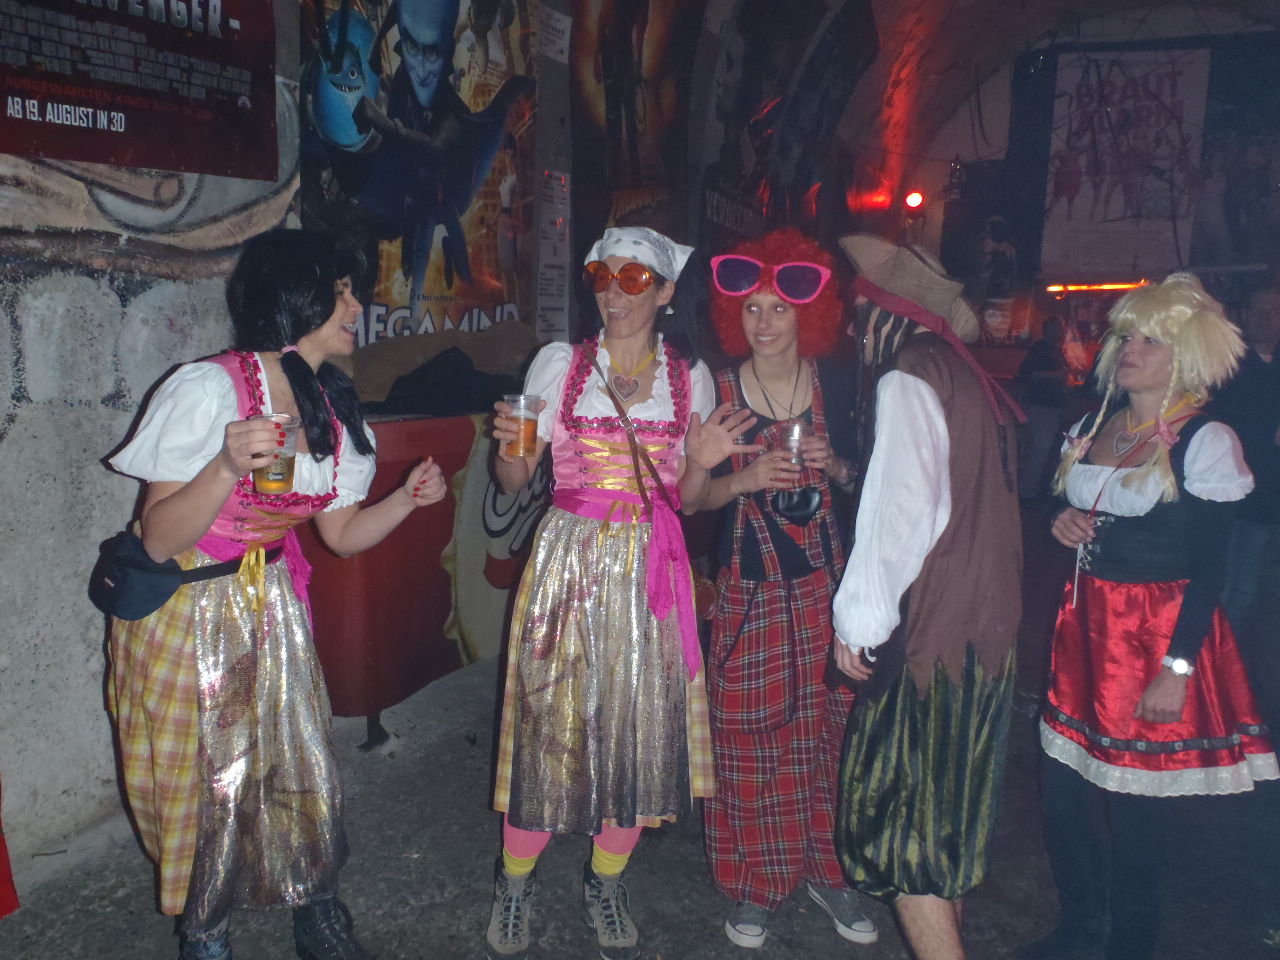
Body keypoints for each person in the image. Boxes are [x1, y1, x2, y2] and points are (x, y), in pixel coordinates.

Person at [106, 230, 448, 960]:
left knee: (298, 761)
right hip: (187, 609)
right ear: (295, 300)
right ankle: (206, 930)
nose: (356, 308)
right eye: (340, 293)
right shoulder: (208, 389)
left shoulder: (332, 406)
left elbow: (341, 535)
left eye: (353, 292)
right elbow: (158, 539)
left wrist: (405, 501)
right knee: (202, 782)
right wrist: (226, 466)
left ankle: (314, 900)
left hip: (272, 605)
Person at [484, 226, 752, 960]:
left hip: (651, 569)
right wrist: (508, 448)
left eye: (634, 279)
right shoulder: (559, 365)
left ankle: (606, 881)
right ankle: (514, 882)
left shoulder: (690, 378)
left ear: (665, 293)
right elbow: (515, 480)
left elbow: (688, 500)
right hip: (567, 563)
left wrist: (701, 463)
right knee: (548, 722)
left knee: (640, 729)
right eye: (604, 276)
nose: (614, 292)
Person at [1021, 273, 1279, 960]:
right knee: (1063, 796)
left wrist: (1178, 667)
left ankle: (1131, 945)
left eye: (1152, 340)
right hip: (1084, 633)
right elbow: (1063, 508)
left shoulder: (1205, 439)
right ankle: (1080, 930)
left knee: (1135, 812)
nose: (1131, 349)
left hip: (1151, 642)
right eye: (1128, 336)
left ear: (1185, 355)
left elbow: (1213, 569)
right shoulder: (1092, 425)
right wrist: (1062, 519)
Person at [831, 234, 1024, 960]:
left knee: (902, 831)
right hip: (986, 637)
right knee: (945, 828)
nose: (854, 330)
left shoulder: (909, 374)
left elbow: (902, 513)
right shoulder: (966, 377)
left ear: (885, 317)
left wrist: (858, 622)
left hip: (932, 640)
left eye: (860, 315)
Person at [687, 228, 875, 949]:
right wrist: (740, 479)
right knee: (746, 739)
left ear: (809, 314)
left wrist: (839, 468)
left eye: (779, 308)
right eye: (752, 307)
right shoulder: (717, 390)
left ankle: (829, 872)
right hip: (749, 589)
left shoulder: (840, 384)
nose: (764, 322)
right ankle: (756, 884)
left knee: (829, 735)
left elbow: (872, 485)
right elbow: (690, 500)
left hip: (827, 587)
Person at [1017, 315, 1070, 500]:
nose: (1063, 331)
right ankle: (1026, 493)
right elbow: (1027, 373)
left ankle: (1030, 490)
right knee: (1039, 450)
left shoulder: (1053, 349)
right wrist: (1056, 375)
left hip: (1047, 406)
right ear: (1051, 330)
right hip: (1041, 406)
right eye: (1060, 327)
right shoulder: (1041, 349)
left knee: (1040, 450)